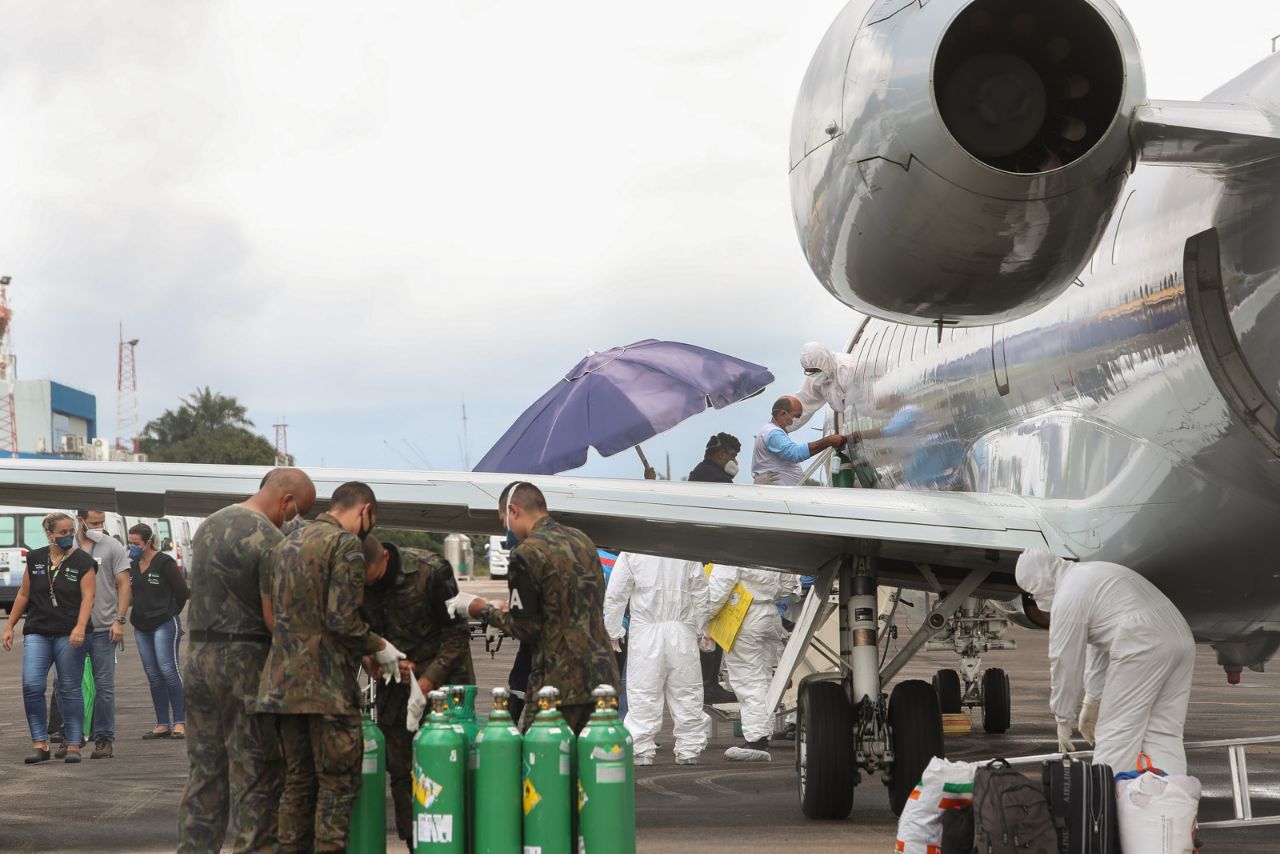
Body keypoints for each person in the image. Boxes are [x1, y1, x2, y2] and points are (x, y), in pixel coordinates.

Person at [255, 481, 407, 854]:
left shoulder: (285, 544)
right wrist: (380, 646)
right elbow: (342, 620)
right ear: (364, 510)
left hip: (283, 687)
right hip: (326, 690)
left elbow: (276, 617)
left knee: (298, 784)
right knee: (337, 786)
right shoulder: (346, 546)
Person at [177, 467, 316, 854]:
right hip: (245, 663)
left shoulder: (209, 525)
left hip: (198, 659)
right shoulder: (271, 540)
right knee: (255, 772)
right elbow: (274, 619)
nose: (294, 519)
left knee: (205, 770)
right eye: (297, 511)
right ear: (286, 500)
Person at [448, 481, 619, 733]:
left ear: (515, 511)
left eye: (504, 520)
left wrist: (480, 608)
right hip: (602, 677)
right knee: (595, 765)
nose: (507, 529)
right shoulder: (581, 540)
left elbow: (525, 628)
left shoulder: (526, 553)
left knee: (543, 766)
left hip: (558, 684)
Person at [1015, 549, 1197, 775]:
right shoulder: (1092, 573)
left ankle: (1107, 806)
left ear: (1039, 581)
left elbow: (1064, 662)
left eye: (1032, 592)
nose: (1034, 598)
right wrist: (1092, 698)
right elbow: (1100, 645)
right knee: (1164, 732)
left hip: (1142, 642)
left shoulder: (1067, 596)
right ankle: (1169, 804)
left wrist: (1063, 719)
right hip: (1181, 637)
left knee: (1116, 733)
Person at [359, 535, 474, 852]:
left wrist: (427, 680)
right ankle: (415, 844)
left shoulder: (430, 571)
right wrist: (369, 656)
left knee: (450, 772)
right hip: (396, 692)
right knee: (401, 776)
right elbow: (357, 627)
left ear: (384, 557)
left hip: (444, 690)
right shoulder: (356, 578)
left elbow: (457, 636)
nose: (372, 586)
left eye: (375, 578)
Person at [2, 512, 97, 764]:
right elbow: (23, 594)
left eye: (70, 532)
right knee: (32, 685)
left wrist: (80, 625)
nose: (67, 536)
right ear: (50, 534)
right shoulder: (35, 558)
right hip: (38, 630)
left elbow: (88, 597)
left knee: (69, 688)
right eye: (62, 532)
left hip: (70, 632)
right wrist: (10, 625)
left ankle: (74, 744)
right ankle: (40, 744)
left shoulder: (83, 561)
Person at [604, 552, 710, 766]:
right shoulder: (686, 550)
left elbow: (616, 594)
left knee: (644, 691)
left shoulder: (631, 552)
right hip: (682, 631)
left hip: (645, 631)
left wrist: (613, 631)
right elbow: (701, 592)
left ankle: (641, 749)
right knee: (687, 691)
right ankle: (690, 749)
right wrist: (702, 628)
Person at [48, 509, 133, 759]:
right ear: (80, 520)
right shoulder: (65, 546)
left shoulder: (111, 546)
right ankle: (70, 737)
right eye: (94, 522)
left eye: (102, 522)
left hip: (102, 629)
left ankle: (104, 739)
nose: (99, 526)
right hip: (68, 629)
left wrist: (119, 621)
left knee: (104, 687)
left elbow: (124, 584)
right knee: (63, 685)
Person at [707, 564, 800, 761]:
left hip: (742, 613)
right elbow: (786, 585)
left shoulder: (735, 544)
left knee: (748, 679)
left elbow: (718, 588)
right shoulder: (776, 547)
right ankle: (763, 732)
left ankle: (756, 738)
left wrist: (703, 619)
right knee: (764, 678)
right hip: (769, 612)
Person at [687, 434, 743, 703]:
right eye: (733, 456)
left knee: (707, 622)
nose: (735, 462)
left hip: (702, 552)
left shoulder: (698, 473)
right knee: (710, 621)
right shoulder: (718, 480)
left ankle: (707, 681)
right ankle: (708, 684)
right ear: (722, 455)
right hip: (711, 557)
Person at [127, 522, 190, 741]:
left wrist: (173, 613)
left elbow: (182, 591)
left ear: (148, 542)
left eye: (136, 543)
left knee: (168, 670)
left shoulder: (164, 562)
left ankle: (180, 722)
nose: (132, 547)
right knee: (153, 675)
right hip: (141, 625)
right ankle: (162, 722)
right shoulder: (134, 563)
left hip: (164, 621)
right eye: (130, 543)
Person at [752, 395, 848, 486]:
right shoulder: (773, 433)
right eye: (796, 416)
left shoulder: (769, 431)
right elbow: (795, 453)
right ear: (782, 414)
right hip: (777, 494)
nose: (796, 420)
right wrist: (828, 441)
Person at [792, 341, 858, 430]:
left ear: (824, 362)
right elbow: (803, 405)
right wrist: (778, 427)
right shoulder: (814, 378)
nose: (813, 374)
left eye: (815, 370)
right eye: (809, 371)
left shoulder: (850, 368)